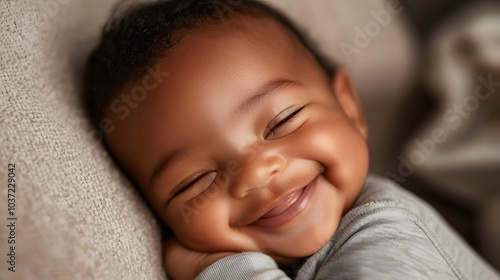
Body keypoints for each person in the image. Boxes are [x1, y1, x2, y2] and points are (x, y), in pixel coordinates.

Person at [83, 1, 500, 279]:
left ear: (348, 108)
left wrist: (222, 271)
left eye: (283, 121)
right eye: (195, 181)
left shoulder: (388, 236)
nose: (254, 172)